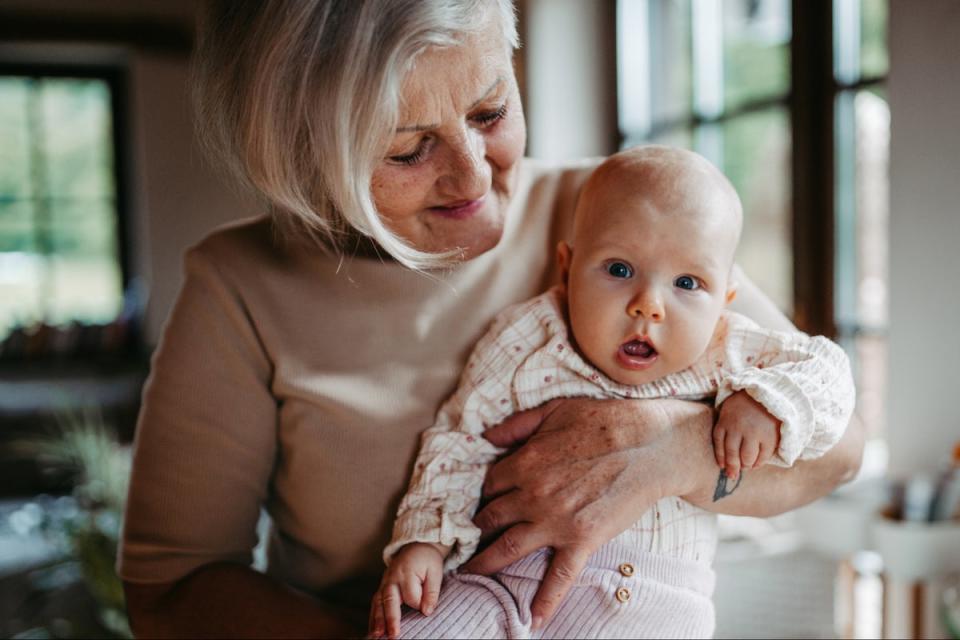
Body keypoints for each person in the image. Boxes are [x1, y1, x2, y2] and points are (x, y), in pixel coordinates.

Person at [118, 1, 865, 638]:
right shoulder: (239, 286)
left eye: (490, 112)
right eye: (409, 150)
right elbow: (172, 587)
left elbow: (839, 446)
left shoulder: (622, 217)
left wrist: (673, 453)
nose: (474, 176)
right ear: (308, 158)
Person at [369, 146, 856, 639]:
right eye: (619, 270)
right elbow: (459, 440)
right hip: (501, 586)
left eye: (687, 283)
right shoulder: (526, 337)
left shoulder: (729, 348)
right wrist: (425, 541)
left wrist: (768, 402)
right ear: (568, 267)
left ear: (725, 299)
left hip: (658, 612)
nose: (649, 306)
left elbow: (828, 369)